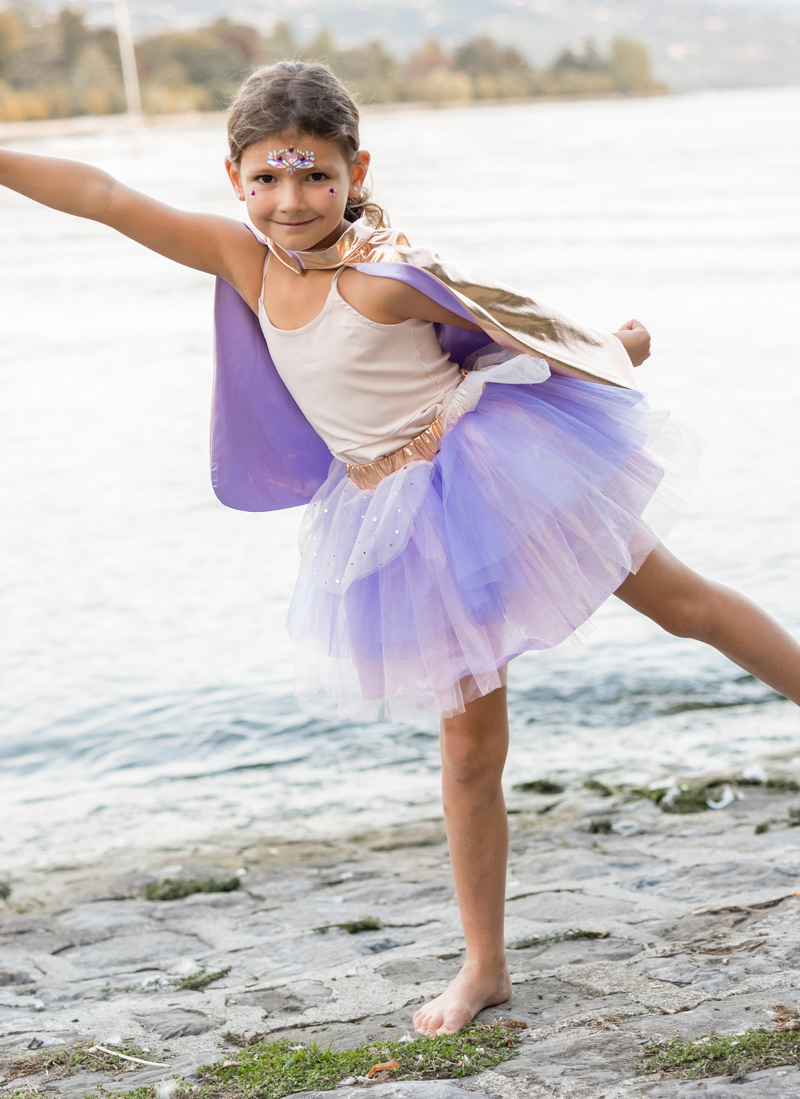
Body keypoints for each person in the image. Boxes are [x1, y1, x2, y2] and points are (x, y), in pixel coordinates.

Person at [2, 61, 799, 1039]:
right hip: (396, 524)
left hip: (496, 477)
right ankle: (485, 966)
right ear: (233, 178)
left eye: (314, 178)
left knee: (683, 606)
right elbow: (105, 197)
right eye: (266, 179)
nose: (289, 200)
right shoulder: (244, 260)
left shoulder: (385, 279)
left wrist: (613, 347)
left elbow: (511, 330)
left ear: (354, 170)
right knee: (467, 749)